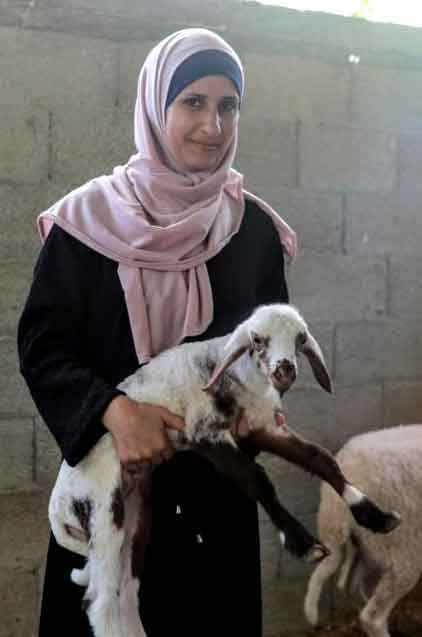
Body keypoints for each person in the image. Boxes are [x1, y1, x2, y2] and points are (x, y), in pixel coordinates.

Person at [18, 28, 296, 637]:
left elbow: (269, 345)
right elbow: (44, 346)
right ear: (154, 106)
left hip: (215, 497)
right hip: (112, 484)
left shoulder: (251, 231)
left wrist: (262, 409)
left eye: (229, 106)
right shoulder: (86, 222)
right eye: (192, 102)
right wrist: (114, 412)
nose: (213, 126)